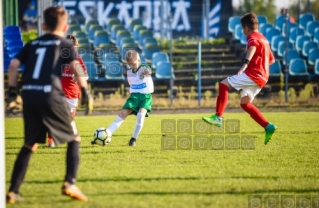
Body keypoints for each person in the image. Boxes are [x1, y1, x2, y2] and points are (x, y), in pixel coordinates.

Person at [6, 6, 90, 203]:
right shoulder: (65, 44)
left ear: (43, 25)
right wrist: (85, 92)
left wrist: (12, 92)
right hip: (51, 95)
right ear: (65, 27)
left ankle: (13, 191)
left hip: (29, 95)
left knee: (30, 144)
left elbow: (13, 66)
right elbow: (76, 67)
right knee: (75, 138)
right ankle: (70, 182)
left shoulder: (33, 43)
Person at [202, 13, 277, 145]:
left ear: (247, 28)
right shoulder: (264, 39)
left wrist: (245, 64)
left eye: (243, 30)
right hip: (263, 76)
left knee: (223, 84)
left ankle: (218, 117)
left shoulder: (252, 37)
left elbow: (252, 48)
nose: (243, 32)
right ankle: (268, 126)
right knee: (244, 104)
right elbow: (271, 60)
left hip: (254, 73)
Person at [92, 50, 153, 146]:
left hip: (145, 97)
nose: (132, 66)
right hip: (134, 96)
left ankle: (133, 139)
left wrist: (147, 72)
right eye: (130, 64)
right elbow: (132, 83)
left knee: (140, 116)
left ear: (139, 60)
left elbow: (149, 71)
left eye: (133, 63)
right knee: (122, 114)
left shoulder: (143, 67)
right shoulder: (129, 72)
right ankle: (106, 134)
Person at [47, 34, 88, 147]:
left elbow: (85, 75)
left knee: (68, 120)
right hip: (58, 91)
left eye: (74, 47)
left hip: (73, 93)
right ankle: (51, 140)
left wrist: (79, 77)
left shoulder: (77, 58)